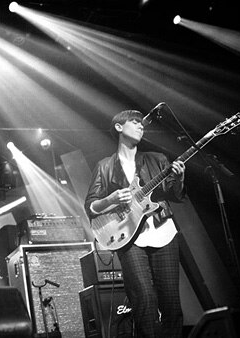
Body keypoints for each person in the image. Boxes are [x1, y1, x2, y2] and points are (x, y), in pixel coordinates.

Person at [84, 109, 186, 337]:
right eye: (135, 122)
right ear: (119, 127)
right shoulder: (104, 166)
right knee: (144, 300)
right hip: (128, 237)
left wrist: (178, 178)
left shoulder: (157, 159)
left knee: (171, 301)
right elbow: (91, 206)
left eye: (142, 123)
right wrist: (109, 199)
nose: (141, 126)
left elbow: (174, 195)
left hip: (163, 232)